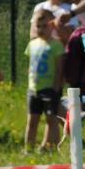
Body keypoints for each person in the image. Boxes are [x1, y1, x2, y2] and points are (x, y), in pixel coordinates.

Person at [24, 8, 64, 153]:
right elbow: (31, 65)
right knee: (32, 120)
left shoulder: (56, 45)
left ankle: (52, 146)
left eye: (44, 26)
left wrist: (56, 87)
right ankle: (28, 148)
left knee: (51, 119)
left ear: (52, 25)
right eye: (38, 26)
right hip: (33, 89)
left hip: (49, 88)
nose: (41, 29)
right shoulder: (32, 44)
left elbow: (59, 68)